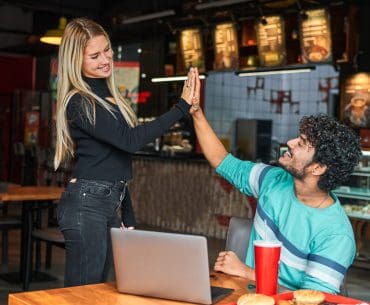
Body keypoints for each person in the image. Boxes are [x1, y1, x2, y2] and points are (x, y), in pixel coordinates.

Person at [190, 68, 362, 293]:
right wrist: (196, 112)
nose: (290, 142)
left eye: (301, 143)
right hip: (243, 295)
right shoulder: (273, 180)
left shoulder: (335, 234)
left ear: (318, 168)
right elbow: (222, 160)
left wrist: (246, 272)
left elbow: (310, 300)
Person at [54, 17, 197, 287]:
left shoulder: (108, 98)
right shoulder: (79, 101)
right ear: (76, 61)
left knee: (97, 290)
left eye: (107, 49)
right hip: (87, 204)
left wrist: (126, 212)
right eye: (94, 55)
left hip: (105, 202)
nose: (106, 59)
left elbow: (115, 159)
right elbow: (129, 141)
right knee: (83, 296)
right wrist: (181, 107)